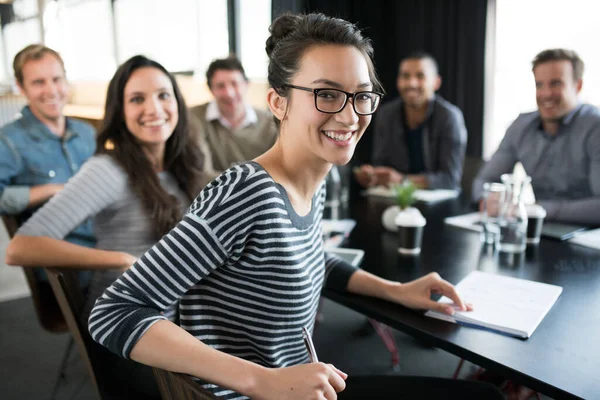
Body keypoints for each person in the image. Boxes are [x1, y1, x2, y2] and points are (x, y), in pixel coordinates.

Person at [89, 14, 502, 400]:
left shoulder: (312, 177)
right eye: (326, 94)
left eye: (361, 96)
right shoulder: (245, 193)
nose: (349, 115)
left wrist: (397, 291)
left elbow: (309, 259)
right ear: (278, 102)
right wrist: (262, 380)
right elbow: (115, 312)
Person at [6, 55, 207, 397]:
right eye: (137, 99)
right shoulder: (108, 170)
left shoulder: (182, 164)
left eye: (163, 95)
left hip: (177, 317)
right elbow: (20, 247)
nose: (154, 108)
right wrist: (122, 259)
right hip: (130, 325)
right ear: (120, 110)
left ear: (177, 102)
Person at [472, 49, 600, 225]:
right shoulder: (521, 126)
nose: (546, 94)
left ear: (577, 86)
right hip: (535, 229)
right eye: (539, 85)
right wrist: (489, 199)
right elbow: (484, 180)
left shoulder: (595, 127)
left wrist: (538, 209)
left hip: (587, 237)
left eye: (556, 84)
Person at [0, 44, 96, 247]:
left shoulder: (87, 132)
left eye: (56, 79)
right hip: (66, 262)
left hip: (108, 238)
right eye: (38, 82)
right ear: (20, 87)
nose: (51, 91)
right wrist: (53, 190)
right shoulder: (8, 141)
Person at [354, 51, 467, 190]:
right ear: (398, 81)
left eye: (420, 76)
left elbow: (450, 179)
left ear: (436, 83)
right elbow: (380, 164)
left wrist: (402, 180)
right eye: (405, 76)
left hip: (440, 204)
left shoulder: (449, 117)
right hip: (395, 198)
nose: (411, 83)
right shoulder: (386, 114)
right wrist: (373, 175)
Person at [189, 56, 278, 175]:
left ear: (246, 84)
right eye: (220, 86)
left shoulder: (270, 123)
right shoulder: (194, 117)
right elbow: (202, 173)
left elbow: (278, 171)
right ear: (211, 89)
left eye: (235, 84)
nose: (229, 93)